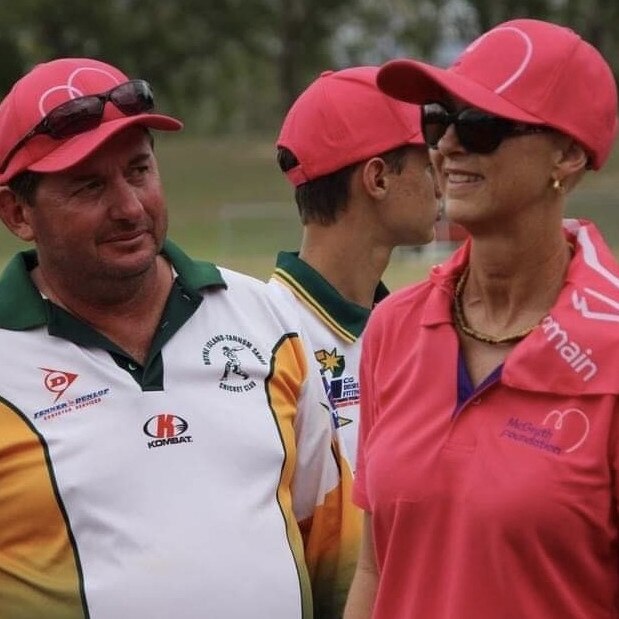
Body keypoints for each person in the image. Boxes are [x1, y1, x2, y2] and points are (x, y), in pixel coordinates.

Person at [0, 57, 357, 619]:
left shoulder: (263, 319)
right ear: (18, 212)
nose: (128, 207)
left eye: (139, 170)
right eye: (89, 187)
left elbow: (338, 544)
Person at [344, 18, 619, 619]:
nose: (447, 145)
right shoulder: (393, 327)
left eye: (481, 124)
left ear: (568, 155)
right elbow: (375, 567)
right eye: (438, 120)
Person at [268, 66, 439, 470]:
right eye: (427, 166)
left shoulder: (408, 327)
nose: (440, 184)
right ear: (377, 179)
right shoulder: (267, 340)